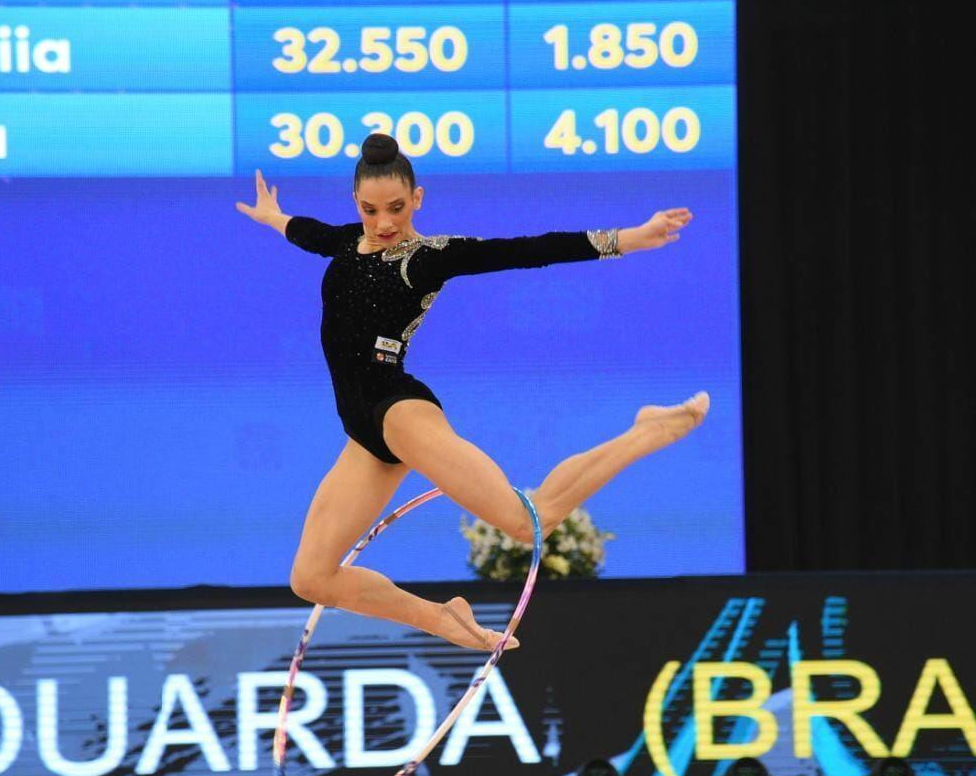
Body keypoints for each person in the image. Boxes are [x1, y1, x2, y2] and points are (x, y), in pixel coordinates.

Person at [236, 133, 708, 652]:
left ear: (417, 198)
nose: (384, 222)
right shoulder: (348, 242)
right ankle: (443, 619)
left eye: (396, 207)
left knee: (529, 521)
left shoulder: (428, 258)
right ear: (356, 204)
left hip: (398, 412)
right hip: (362, 432)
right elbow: (308, 233)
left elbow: (527, 250)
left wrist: (630, 238)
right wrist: (273, 217)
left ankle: (647, 431)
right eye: (370, 210)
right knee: (311, 577)